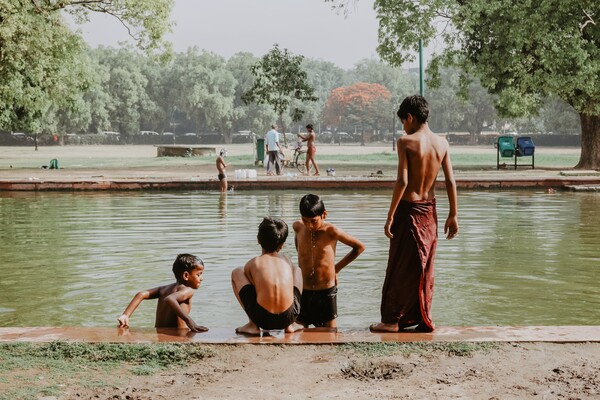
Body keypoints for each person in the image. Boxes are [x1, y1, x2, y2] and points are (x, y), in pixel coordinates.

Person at [370, 95, 458, 334]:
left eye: (403, 121)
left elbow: (402, 181)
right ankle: (422, 317)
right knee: (424, 266)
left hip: (408, 210)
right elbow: (450, 180)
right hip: (430, 211)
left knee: (399, 266)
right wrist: (453, 214)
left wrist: (389, 215)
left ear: (410, 117)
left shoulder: (406, 142)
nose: (403, 127)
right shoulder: (442, 143)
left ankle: (391, 320)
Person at [293, 194, 365, 328]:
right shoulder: (298, 227)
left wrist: (336, 269)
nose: (309, 226)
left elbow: (359, 247)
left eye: (314, 221)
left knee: (329, 330)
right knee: (299, 327)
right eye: (305, 220)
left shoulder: (331, 231)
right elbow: (299, 247)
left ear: (324, 215)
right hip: (304, 289)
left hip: (326, 290)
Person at [231, 217, 303, 335]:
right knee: (297, 270)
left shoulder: (254, 263)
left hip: (262, 319)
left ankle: (252, 325)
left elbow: (253, 288)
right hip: (288, 317)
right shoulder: (287, 260)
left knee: (237, 272)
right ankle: (291, 325)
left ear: (258, 240)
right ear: (282, 244)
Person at [117, 254, 208, 332]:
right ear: (186, 276)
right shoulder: (187, 290)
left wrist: (126, 315)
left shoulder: (164, 289)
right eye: (198, 274)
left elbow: (141, 294)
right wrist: (189, 321)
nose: (201, 278)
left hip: (159, 335)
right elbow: (170, 299)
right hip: (177, 337)